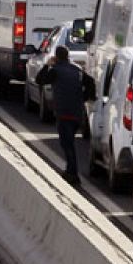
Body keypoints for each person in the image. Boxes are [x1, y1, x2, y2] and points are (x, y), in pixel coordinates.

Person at [34, 45, 94, 185]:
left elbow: (40, 80)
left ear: (56, 57)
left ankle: (72, 174)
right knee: (70, 142)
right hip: (77, 113)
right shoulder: (77, 70)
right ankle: (70, 171)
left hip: (64, 113)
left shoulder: (55, 71)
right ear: (67, 56)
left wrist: (46, 65)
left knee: (67, 144)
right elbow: (90, 83)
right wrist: (83, 98)